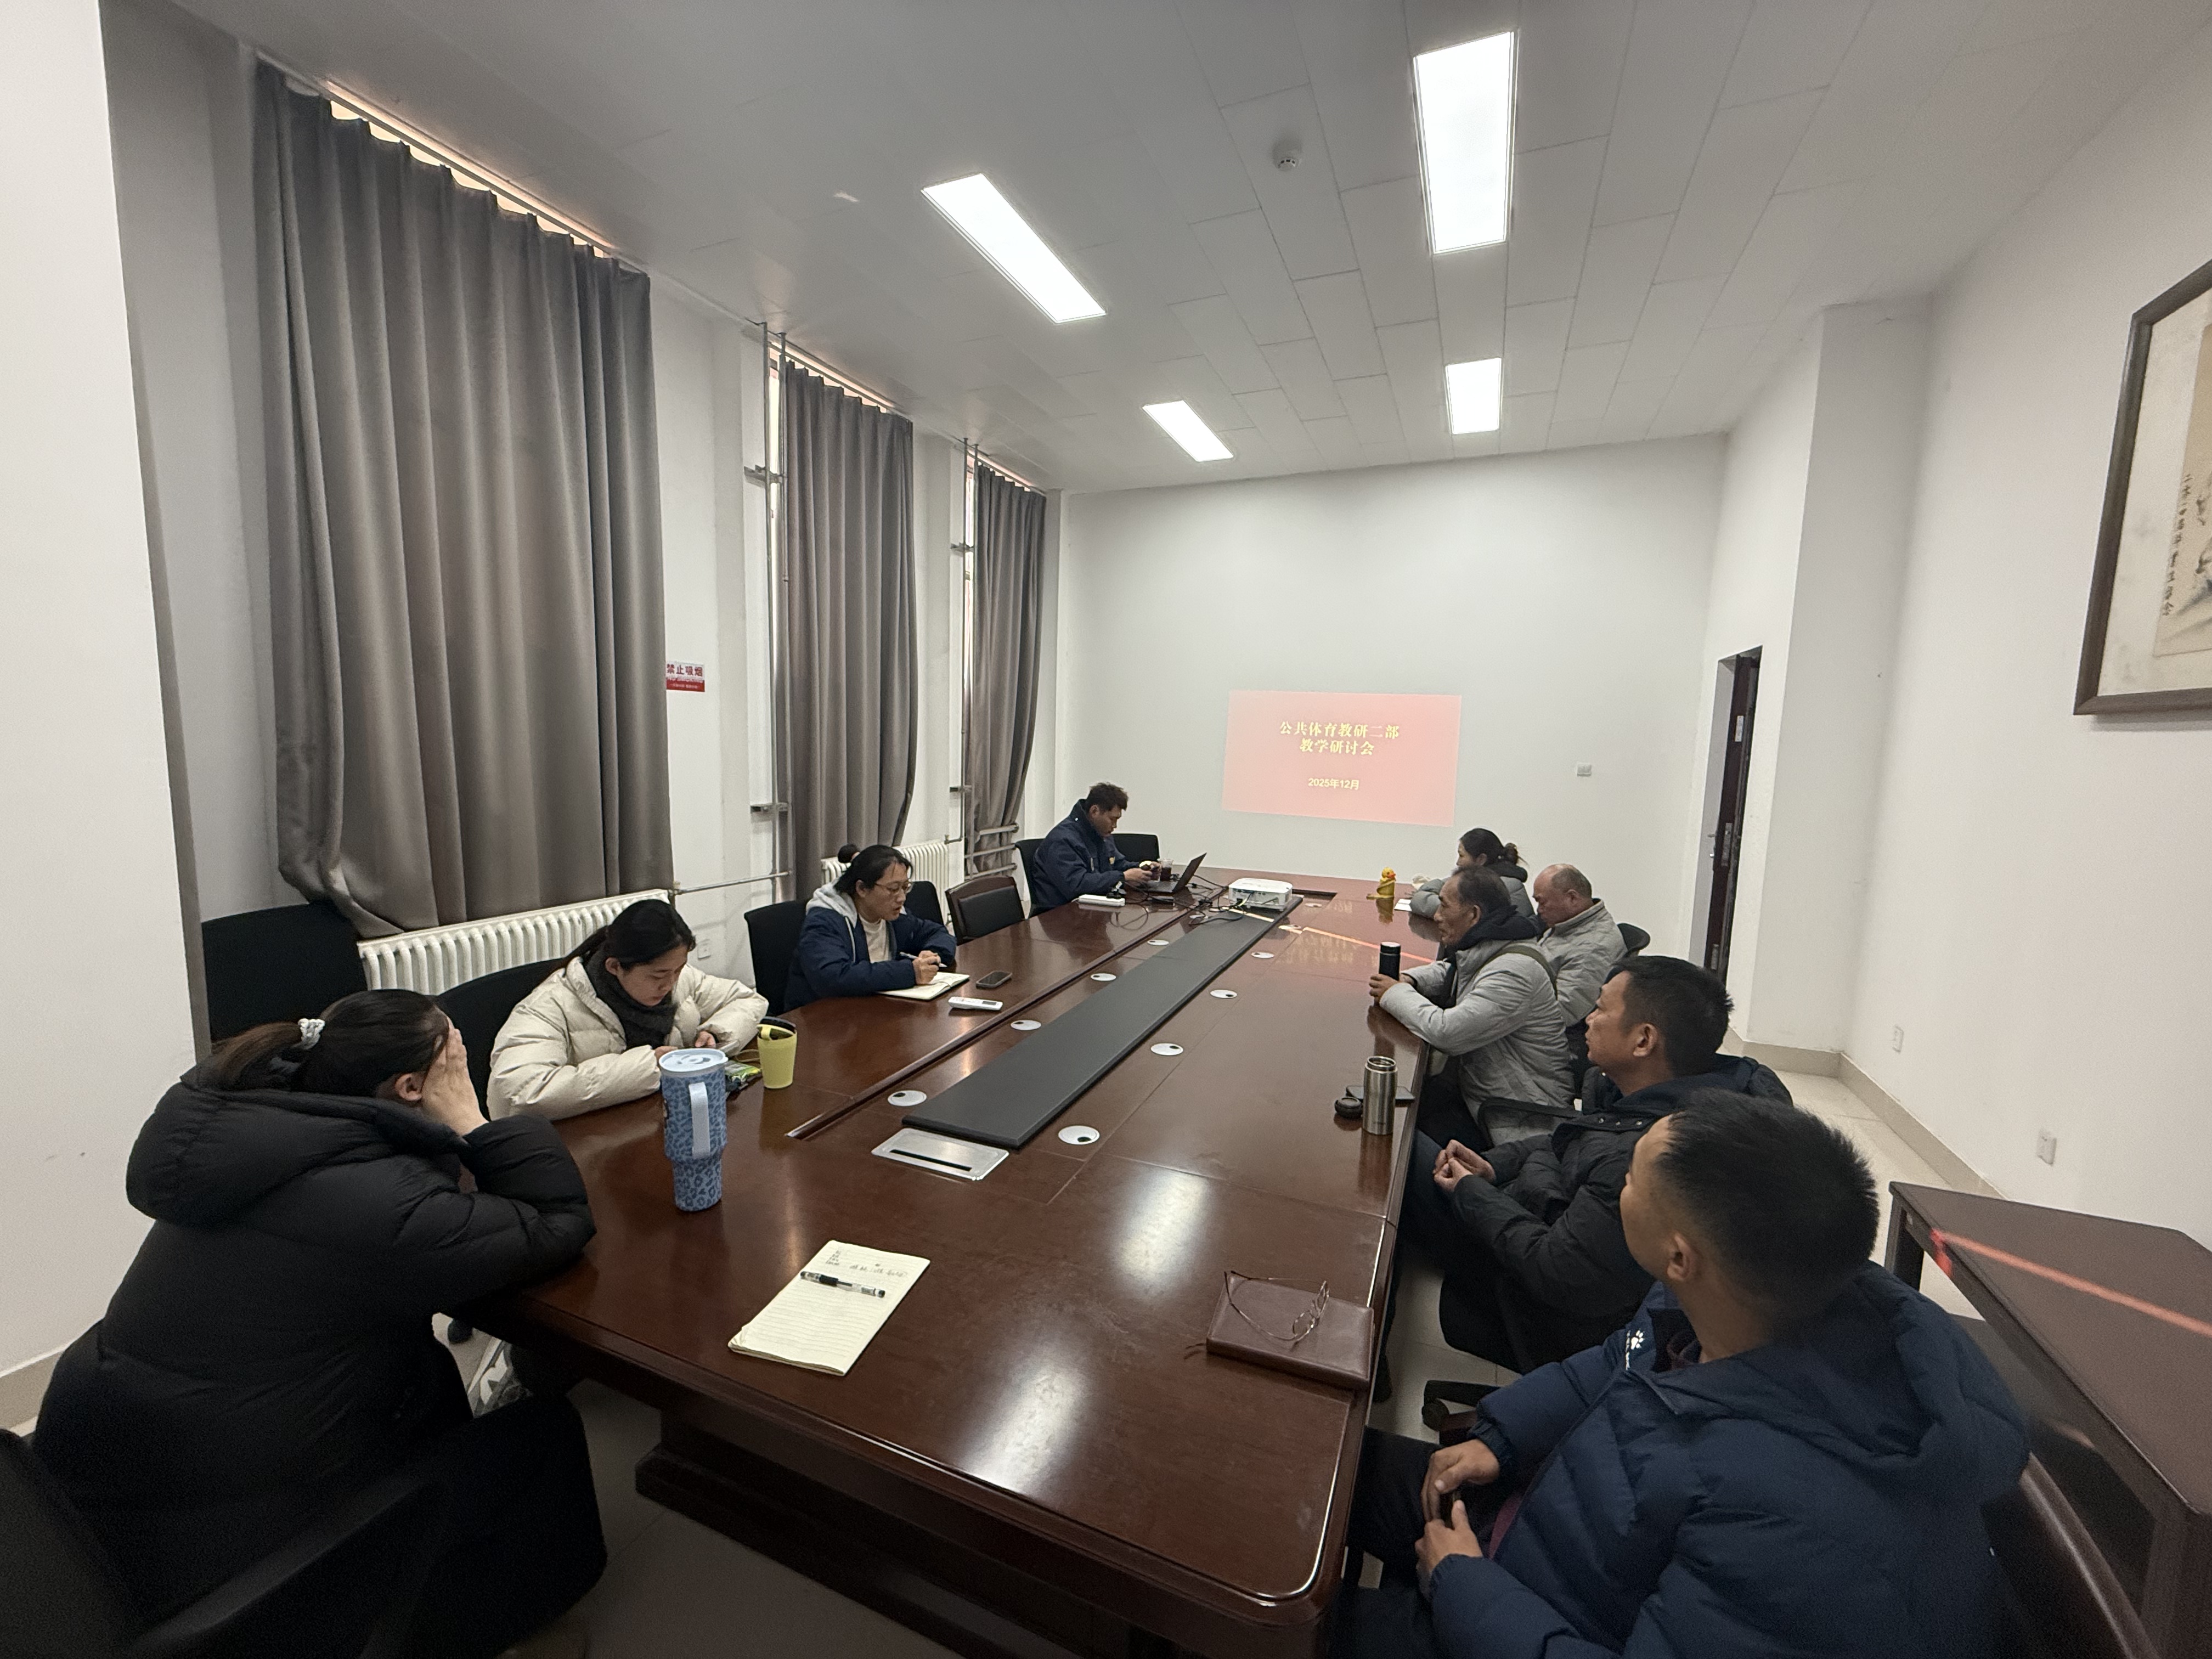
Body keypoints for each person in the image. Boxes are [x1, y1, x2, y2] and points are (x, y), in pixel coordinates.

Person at [1334, 1092, 2029, 1659]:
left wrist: (1462, 1588)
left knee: (1286, 1615)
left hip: (1530, 1613)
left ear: (1679, 1255)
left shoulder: (1794, 1529)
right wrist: (1503, 1438)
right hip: (1544, 1524)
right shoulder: (1740, 1297)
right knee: (1320, 1465)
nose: (1619, 1186)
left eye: (1632, 1180)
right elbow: (1619, 1359)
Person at [33, 991, 604, 1659]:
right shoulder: (382, 1204)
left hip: (108, 1474)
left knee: (429, 1382)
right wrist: (471, 1119)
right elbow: (557, 1222)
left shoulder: (255, 1144)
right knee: (542, 1435)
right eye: (455, 1061)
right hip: (232, 1527)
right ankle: (500, 1630)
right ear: (412, 1086)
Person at [1399, 956, 1791, 1371]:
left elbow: (1557, 1271)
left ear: (1643, 1040)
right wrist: (1494, 1167)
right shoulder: (1648, 1093)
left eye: (1601, 1008)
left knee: (1397, 1148)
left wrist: (1472, 1192)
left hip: (1536, 1305)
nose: (1588, 1019)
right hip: (1530, 1217)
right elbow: (1571, 1137)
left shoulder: (1648, 1154)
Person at [490, 897, 768, 1120]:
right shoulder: (551, 1005)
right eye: (658, 976)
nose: (670, 984)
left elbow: (749, 1001)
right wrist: (650, 1066)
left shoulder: (680, 980)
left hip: (660, 1121)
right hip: (590, 1144)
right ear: (615, 967)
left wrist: (716, 1033)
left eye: (678, 970)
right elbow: (516, 1094)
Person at [1370, 867, 1572, 1135]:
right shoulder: (1497, 944)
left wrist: (1394, 993)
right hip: (1478, 1093)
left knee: (1396, 1131)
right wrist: (1411, 980)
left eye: (1444, 906)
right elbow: (1456, 969)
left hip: (1517, 1119)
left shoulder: (1515, 972)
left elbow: (1447, 1032)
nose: (1437, 916)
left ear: (1474, 915)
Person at [785, 843, 960, 1008]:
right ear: (862, 889)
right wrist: (910, 972)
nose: (902, 898)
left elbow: (938, 932)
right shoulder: (825, 921)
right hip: (824, 1018)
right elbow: (833, 977)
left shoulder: (894, 916)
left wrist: (934, 954)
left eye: (905, 887)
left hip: (875, 1009)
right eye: (893, 889)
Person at [1030, 782, 1161, 909]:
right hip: (1061, 914)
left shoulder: (1101, 834)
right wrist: (1123, 877)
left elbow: (1117, 865)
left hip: (1093, 907)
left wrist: (1142, 869)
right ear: (1094, 811)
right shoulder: (1062, 840)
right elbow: (1077, 885)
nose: (1115, 826)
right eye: (1112, 819)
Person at [1530, 863, 1621, 1031]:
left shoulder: (1593, 947)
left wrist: (1510, 1004)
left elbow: (1562, 1012)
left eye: (1542, 902)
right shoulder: (1568, 924)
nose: (1539, 910)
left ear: (1572, 898)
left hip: (1547, 1036)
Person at [1409, 828, 1534, 922]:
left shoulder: (1496, 885)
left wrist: (1446, 904)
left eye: (1462, 856)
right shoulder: (1489, 878)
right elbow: (1443, 885)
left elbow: (1423, 901)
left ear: (1481, 859)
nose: (1458, 863)